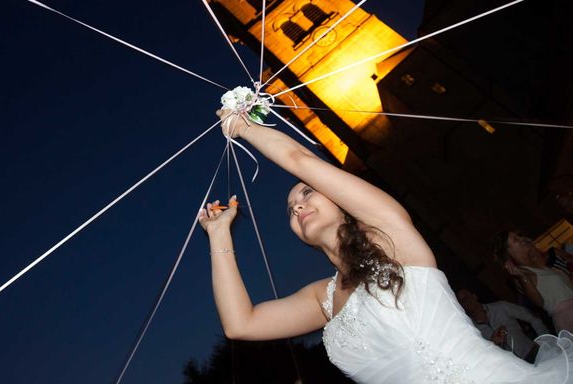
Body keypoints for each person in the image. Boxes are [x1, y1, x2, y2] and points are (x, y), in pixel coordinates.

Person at [199, 109, 572, 384]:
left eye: (308, 191)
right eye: (290, 208)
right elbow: (240, 324)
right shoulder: (321, 299)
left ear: (342, 200)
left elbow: (301, 160)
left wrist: (243, 125)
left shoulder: (389, 234)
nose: (296, 205)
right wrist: (219, 235)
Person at [493, 230, 573, 333]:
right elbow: (539, 302)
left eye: (519, 236)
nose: (522, 239)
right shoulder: (522, 275)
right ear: (508, 252)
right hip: (568, 317)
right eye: (516, 239)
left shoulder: (541, 267)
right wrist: (522, 277)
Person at [456, 288, 550, 361]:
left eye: (466, 297)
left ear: (474, 296)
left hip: (533, 352)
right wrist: (492, 343)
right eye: (462, 301)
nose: (466, 301)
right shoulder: (472, 330)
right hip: (514, 368)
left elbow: (532, 317)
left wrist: (546, 342)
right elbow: (481, 355)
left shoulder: (500, 307)